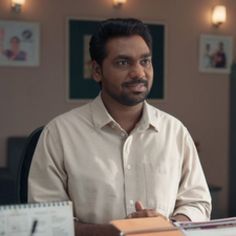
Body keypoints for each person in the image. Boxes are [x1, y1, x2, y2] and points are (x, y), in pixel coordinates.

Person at [28, 18, 212, 236]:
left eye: (145, 61)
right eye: (123, 63)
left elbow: (198, 203)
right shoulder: (59, 134)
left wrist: (167, 227)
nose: (139, 73)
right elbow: (46, 222)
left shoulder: (175, 131)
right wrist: (115, 232)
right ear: (97, 71)